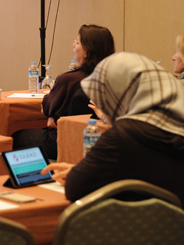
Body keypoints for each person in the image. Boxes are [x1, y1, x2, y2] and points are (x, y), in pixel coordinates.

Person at [41, 52, 184, 203]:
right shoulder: (174, 128)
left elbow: (75, 188)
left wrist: (77, 174)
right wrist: (85, 172)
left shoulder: (123, 136)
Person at [12, 24, 115, 160]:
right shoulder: (112, 78)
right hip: (99, 142)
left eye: (77, 42)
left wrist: (53, 116)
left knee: (15, 137)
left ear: (87, 52)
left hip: (60, 141)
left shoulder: (69, 79)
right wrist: (55, 117)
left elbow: (46, 108)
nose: (73, 44)